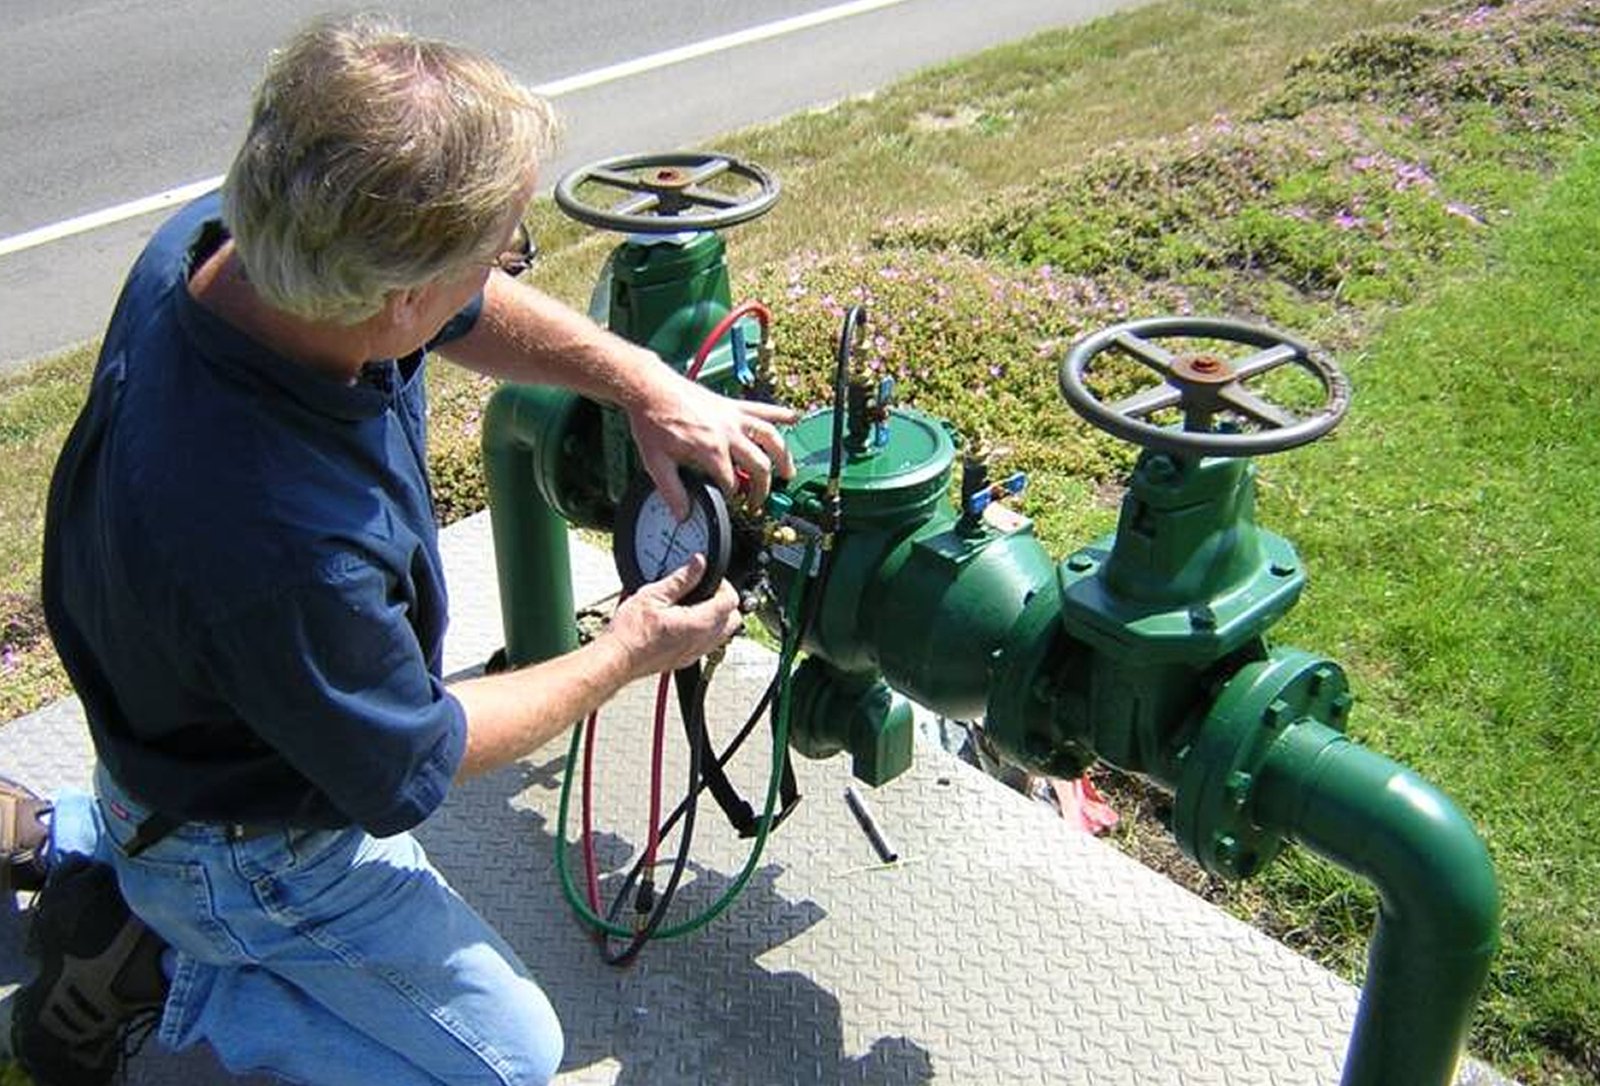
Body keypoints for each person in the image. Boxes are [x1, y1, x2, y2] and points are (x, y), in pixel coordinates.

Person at [0, 13, 794, 1086]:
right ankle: (154, 981)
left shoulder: (229, 244)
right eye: (502, 250)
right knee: (509, 1059)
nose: (506, 268)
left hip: (174, 727)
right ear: (395, 300)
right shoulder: (286, 543)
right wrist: (626, 650)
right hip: (252, 848)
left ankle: (93, 840)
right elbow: (409, 760)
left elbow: (459, 310)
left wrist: (641, 382)